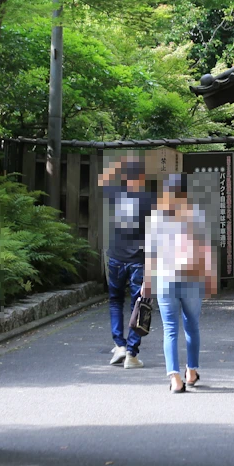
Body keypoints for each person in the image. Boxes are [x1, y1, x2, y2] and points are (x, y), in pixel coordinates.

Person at [144, 173, 215, 393]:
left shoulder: (156, 217)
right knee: (192, 327)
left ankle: (175, 379)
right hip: (192, 278)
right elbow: (205, 250)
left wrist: (147, 282)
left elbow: (151, 254)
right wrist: (210, 280)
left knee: (170, 330)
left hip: (165, 279)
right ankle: (191, 372)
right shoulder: (196, 215)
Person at [100, 157, 155, 368]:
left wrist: (117, 164)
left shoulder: (115, 195)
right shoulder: (150, 200)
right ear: (142, 177)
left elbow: (103, 179)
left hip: (115, 257)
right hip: (138, 260)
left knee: (115, 301)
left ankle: (119, 345)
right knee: (138, 305)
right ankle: (131, 354)